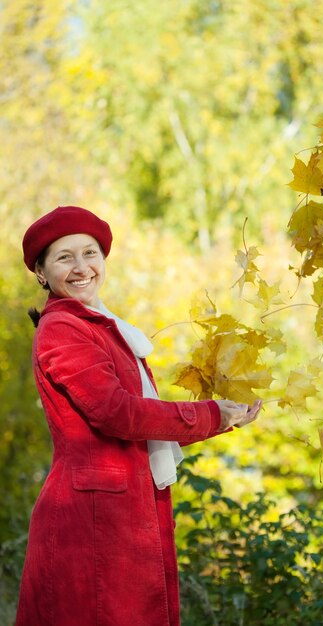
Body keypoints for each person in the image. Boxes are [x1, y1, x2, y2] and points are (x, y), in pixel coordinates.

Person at [16, 205, 262, 626]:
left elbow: (143, 425)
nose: (81, 267)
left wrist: (225, 418)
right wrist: (210, 415)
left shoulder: (104, 327)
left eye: (89, 253)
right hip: (91, 517)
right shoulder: (63, 328)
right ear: (41, 273)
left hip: (123, 505)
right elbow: (118, 414)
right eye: (64, 257)